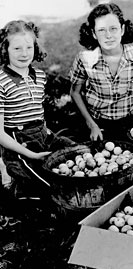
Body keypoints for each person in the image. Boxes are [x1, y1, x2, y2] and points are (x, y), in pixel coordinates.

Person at [0, 20, 74, 200]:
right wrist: (30, 154)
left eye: (29, 47)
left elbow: (37, 112)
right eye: (17, 49)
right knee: (51, 188)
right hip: (18, 145)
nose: (24, 54)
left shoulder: (39, 77)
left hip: (42, 135)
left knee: (78, 152)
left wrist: (48, 135)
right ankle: (17, 187)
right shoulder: (1, 81)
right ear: (5, 50)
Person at [69, 3, 133, 142]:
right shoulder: (85, 59)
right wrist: (91, 124)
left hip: (132, 123)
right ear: (94, 33)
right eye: (101, 30)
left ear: (122, 29)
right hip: (99, 124)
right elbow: (75, 92)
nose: (108, 36)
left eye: (113, 29)